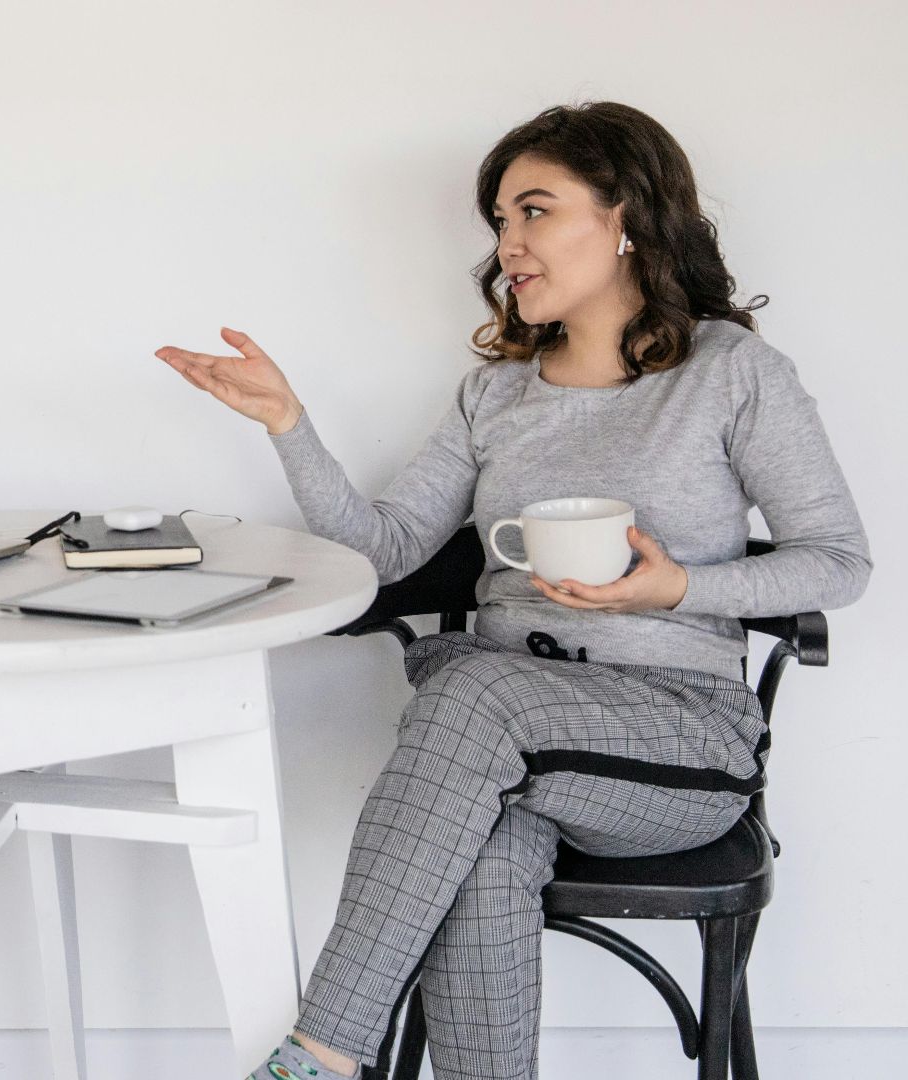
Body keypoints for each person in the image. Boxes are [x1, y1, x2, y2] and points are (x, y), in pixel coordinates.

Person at [157, 102, 870, 1080]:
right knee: (484, 842)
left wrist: (673, 590)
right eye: (500, 221)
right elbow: (391, 548)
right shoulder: (496, 392)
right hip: (501, 744)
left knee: (469, 691)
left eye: (534, 211)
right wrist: (289, 424)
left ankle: (318, 1052)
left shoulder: (730, 373)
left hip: (676, 740)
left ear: (625, 216)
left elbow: (837, 560)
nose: (510, 244)